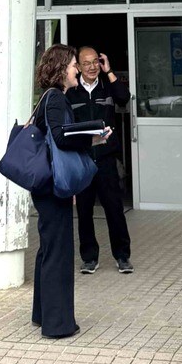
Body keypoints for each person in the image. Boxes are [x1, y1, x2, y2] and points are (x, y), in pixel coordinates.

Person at [30, 45, 109, 339]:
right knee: (58, 253)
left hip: (47, 186)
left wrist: (93, 138)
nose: (77, 69)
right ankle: (58, 324)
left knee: (48, 250)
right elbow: (61, 138)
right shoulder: (55, 99)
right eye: (74, 64)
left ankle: (42, 315)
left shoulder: (51, 98)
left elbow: (59, 136)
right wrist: (92, 137)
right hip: (52, 187)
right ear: (62, 68)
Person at [67, 47, 132, 274]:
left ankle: (122, 256)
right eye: (87, 63)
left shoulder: (107, 87)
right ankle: (89, 258)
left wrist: (110, 71)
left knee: (114, 209)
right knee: (84, 212)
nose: (93, 67)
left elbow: (124, 98)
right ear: (78, 67)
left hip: (105, 160)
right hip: (83, 161)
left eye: (96, 62)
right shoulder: (71, 93)